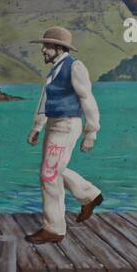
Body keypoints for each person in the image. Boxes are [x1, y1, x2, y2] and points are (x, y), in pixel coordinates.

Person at [24, 27, 103, 245]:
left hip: (67, 125)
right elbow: (44, 100)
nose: (43, 50)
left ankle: (54, 229)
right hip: (54, 124)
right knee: (53, 171)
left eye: (47, 46)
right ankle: (90, 195)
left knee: (49, 174)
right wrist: (37, 126)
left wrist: (92, 131)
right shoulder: (54, 71)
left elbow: (87, 98)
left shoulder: (74, 67)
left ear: (59, 48)